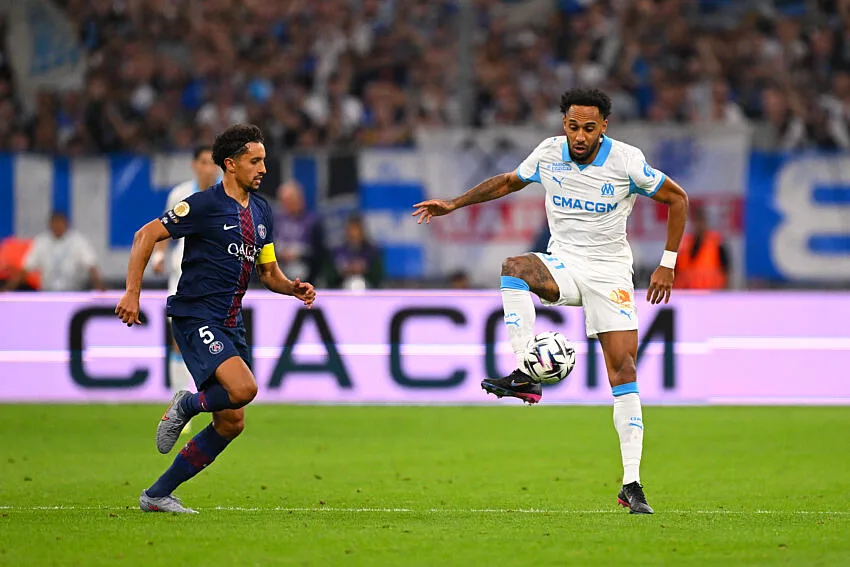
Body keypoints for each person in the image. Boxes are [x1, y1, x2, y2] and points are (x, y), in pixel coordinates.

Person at [412, 88, 689, 515]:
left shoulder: (626, 161)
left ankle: (631, 484)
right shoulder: (549, 153)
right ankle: (527, 371)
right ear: (564, 124)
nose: (580, 136)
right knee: (514, 267)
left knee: (624, 370)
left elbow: (677, 198)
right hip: (562, 263)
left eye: (589, 128)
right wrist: (454, 203)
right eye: (573, 126)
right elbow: (508, 181)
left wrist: (668, 263)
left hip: (609, 273)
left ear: (604, 127)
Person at [115, 124, 316, 514]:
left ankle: (156, 495)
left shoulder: (261, 211)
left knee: (231, 422)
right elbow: (145, 236)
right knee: (243, 389)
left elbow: (268, 273)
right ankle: (187, 404)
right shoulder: (203, 205)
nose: (263, 169)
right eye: (254, 161)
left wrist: (293, 287)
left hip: (230, 320)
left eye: (264, 160)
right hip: (195, 315)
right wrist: (132, 292)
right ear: (230, 164)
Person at [151, 144, 220, 428]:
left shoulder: (227, 194)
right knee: (178, 340)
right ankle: (179, 406)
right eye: (203, 162)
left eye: (212, 162)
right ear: (194, 165)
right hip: (182, 276)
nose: (208, 167)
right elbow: (165, 229)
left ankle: (214, 404)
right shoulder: (180, 195)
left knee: (216, 341)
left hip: (216, 279)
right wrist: (158, 254)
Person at [2, 211, 106, 292]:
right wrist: (8, 289)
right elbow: (25, 269)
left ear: (66, 224)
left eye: (60, 223)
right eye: (55, 223)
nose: (58, 226)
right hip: (47, 292)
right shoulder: (41, 242)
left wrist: (99, 286)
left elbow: (91, 265)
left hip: (72, 291)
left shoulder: (78, 241)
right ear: (50, 224)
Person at [273, 180, 327, 285]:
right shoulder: (275, 221)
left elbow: (319, 252)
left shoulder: (313, 222)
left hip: (307, 274)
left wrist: (298, 254)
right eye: (284, 202)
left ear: (299, 200)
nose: (286, 205)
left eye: (290, 201)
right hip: (279, 272)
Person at [675, 205, 729, 289]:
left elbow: (726, 273)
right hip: (687, 296)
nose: (699, 225)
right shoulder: (683, 246)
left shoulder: (717, 245)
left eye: (701, 221)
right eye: (696, 221)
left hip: (711, 297)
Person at [327, 213, 383, 290]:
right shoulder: (337, 251)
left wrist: (364, 270)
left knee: (358, 284)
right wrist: (343, 271)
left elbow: (378, 278)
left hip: (367, 290)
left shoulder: (372, 251)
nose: (353, 233)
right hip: (341, 290)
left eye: (356, 229)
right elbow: (329, 277)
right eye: (350, 229)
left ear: (362, 231)